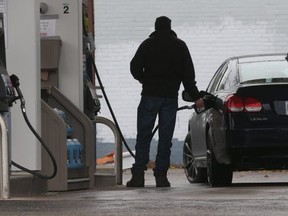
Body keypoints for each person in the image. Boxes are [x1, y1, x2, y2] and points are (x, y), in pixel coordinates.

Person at [127, 16, 204, 187]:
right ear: (170, 28)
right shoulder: (180, 46)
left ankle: (138, 175)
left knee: (144, 135)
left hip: (149, 96)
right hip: (170, 98)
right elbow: (188, 76)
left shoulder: (147, 44)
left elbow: (134, 67)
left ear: (155, 27)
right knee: (165, 138)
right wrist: (196, 97)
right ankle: (161, 176)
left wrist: (143, 79)